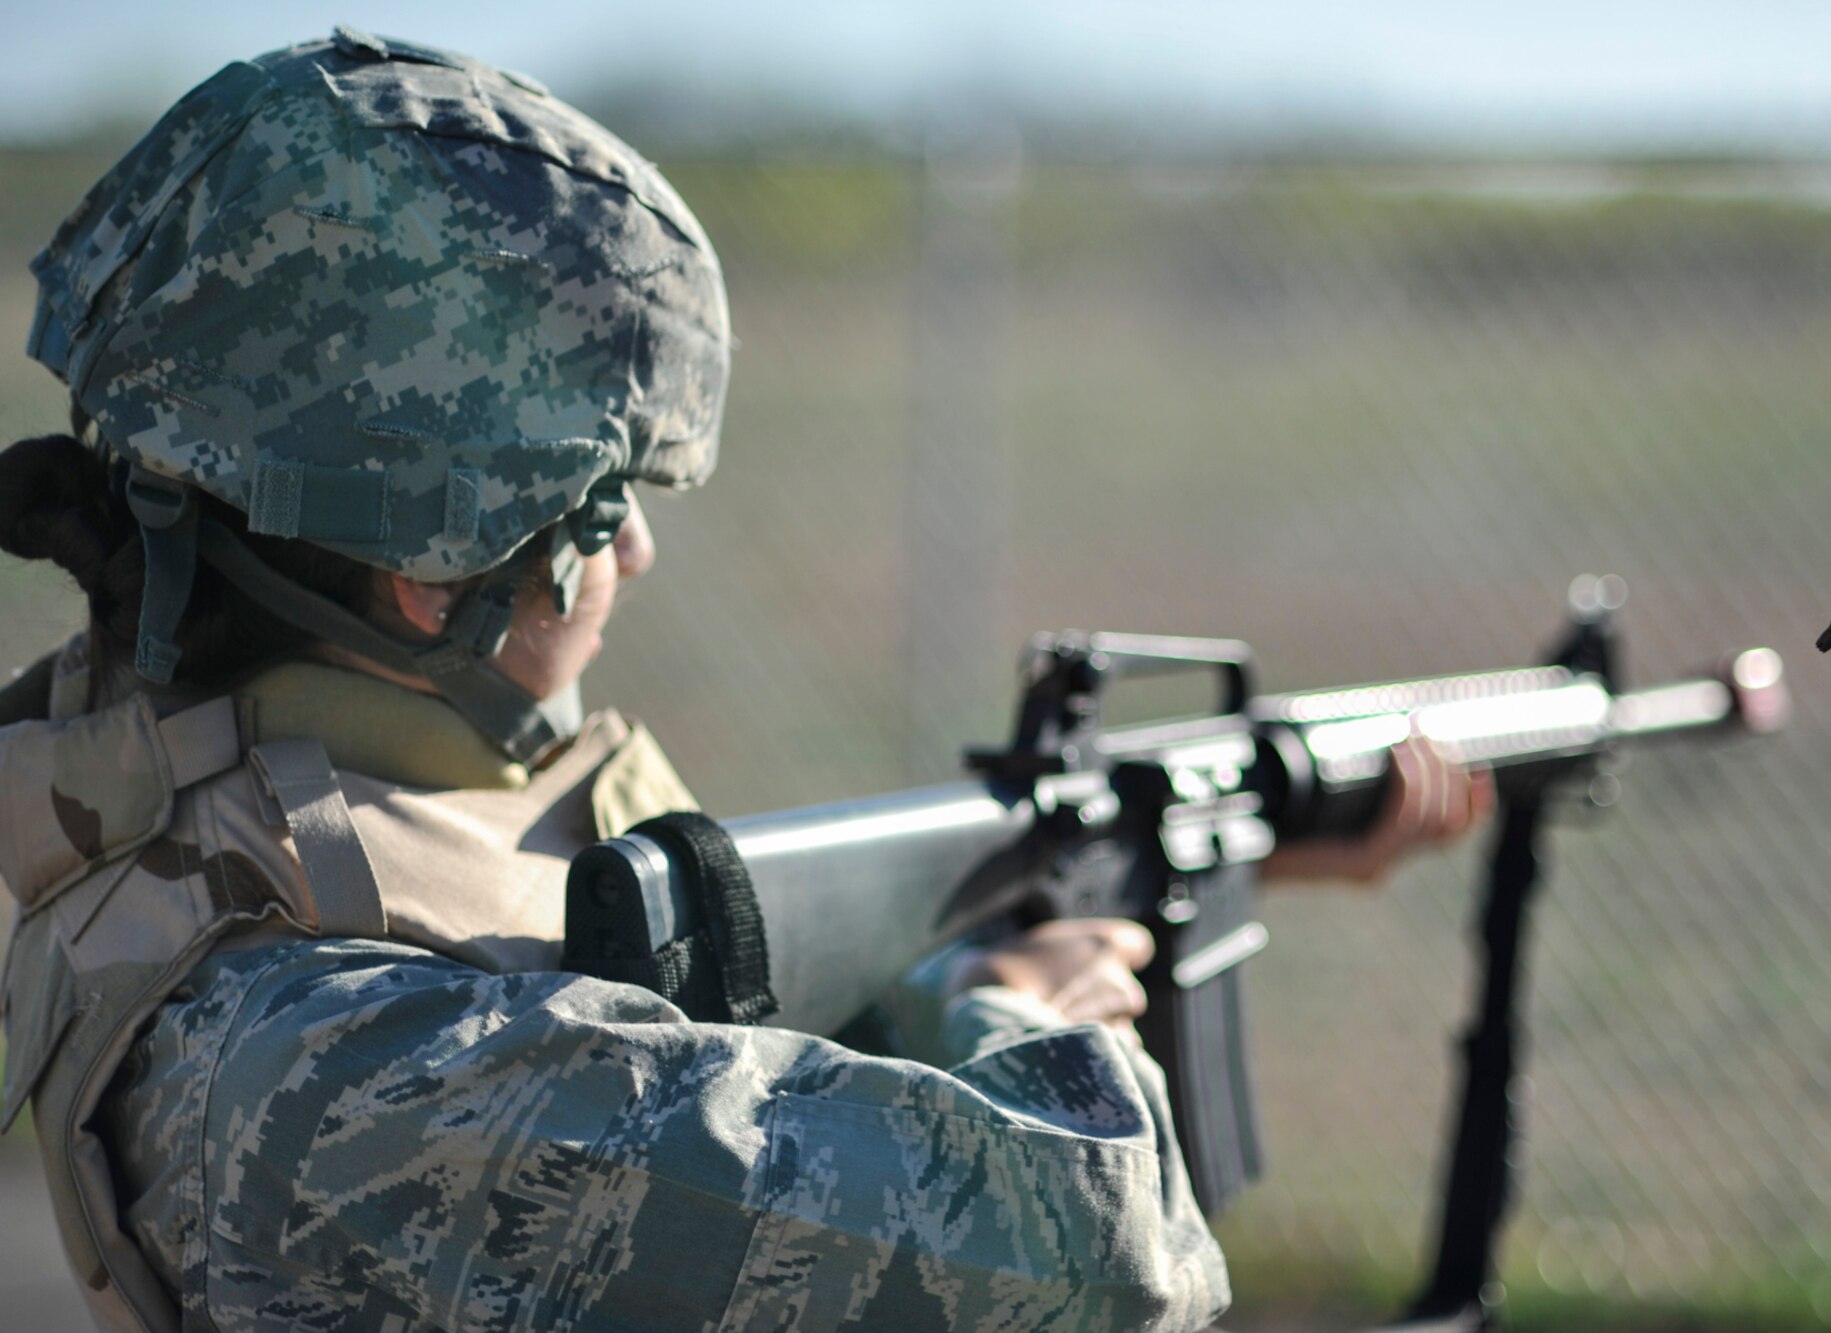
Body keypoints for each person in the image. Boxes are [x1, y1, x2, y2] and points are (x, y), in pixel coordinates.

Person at [0, 29, 1489, 1333]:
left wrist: (1219, 863)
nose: (638, 551)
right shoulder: (318, 1074)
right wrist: (1027, 1008)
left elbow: (690, 1057)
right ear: (434, 572)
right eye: (604, 505)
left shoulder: (207, 794)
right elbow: (1099, 1257)